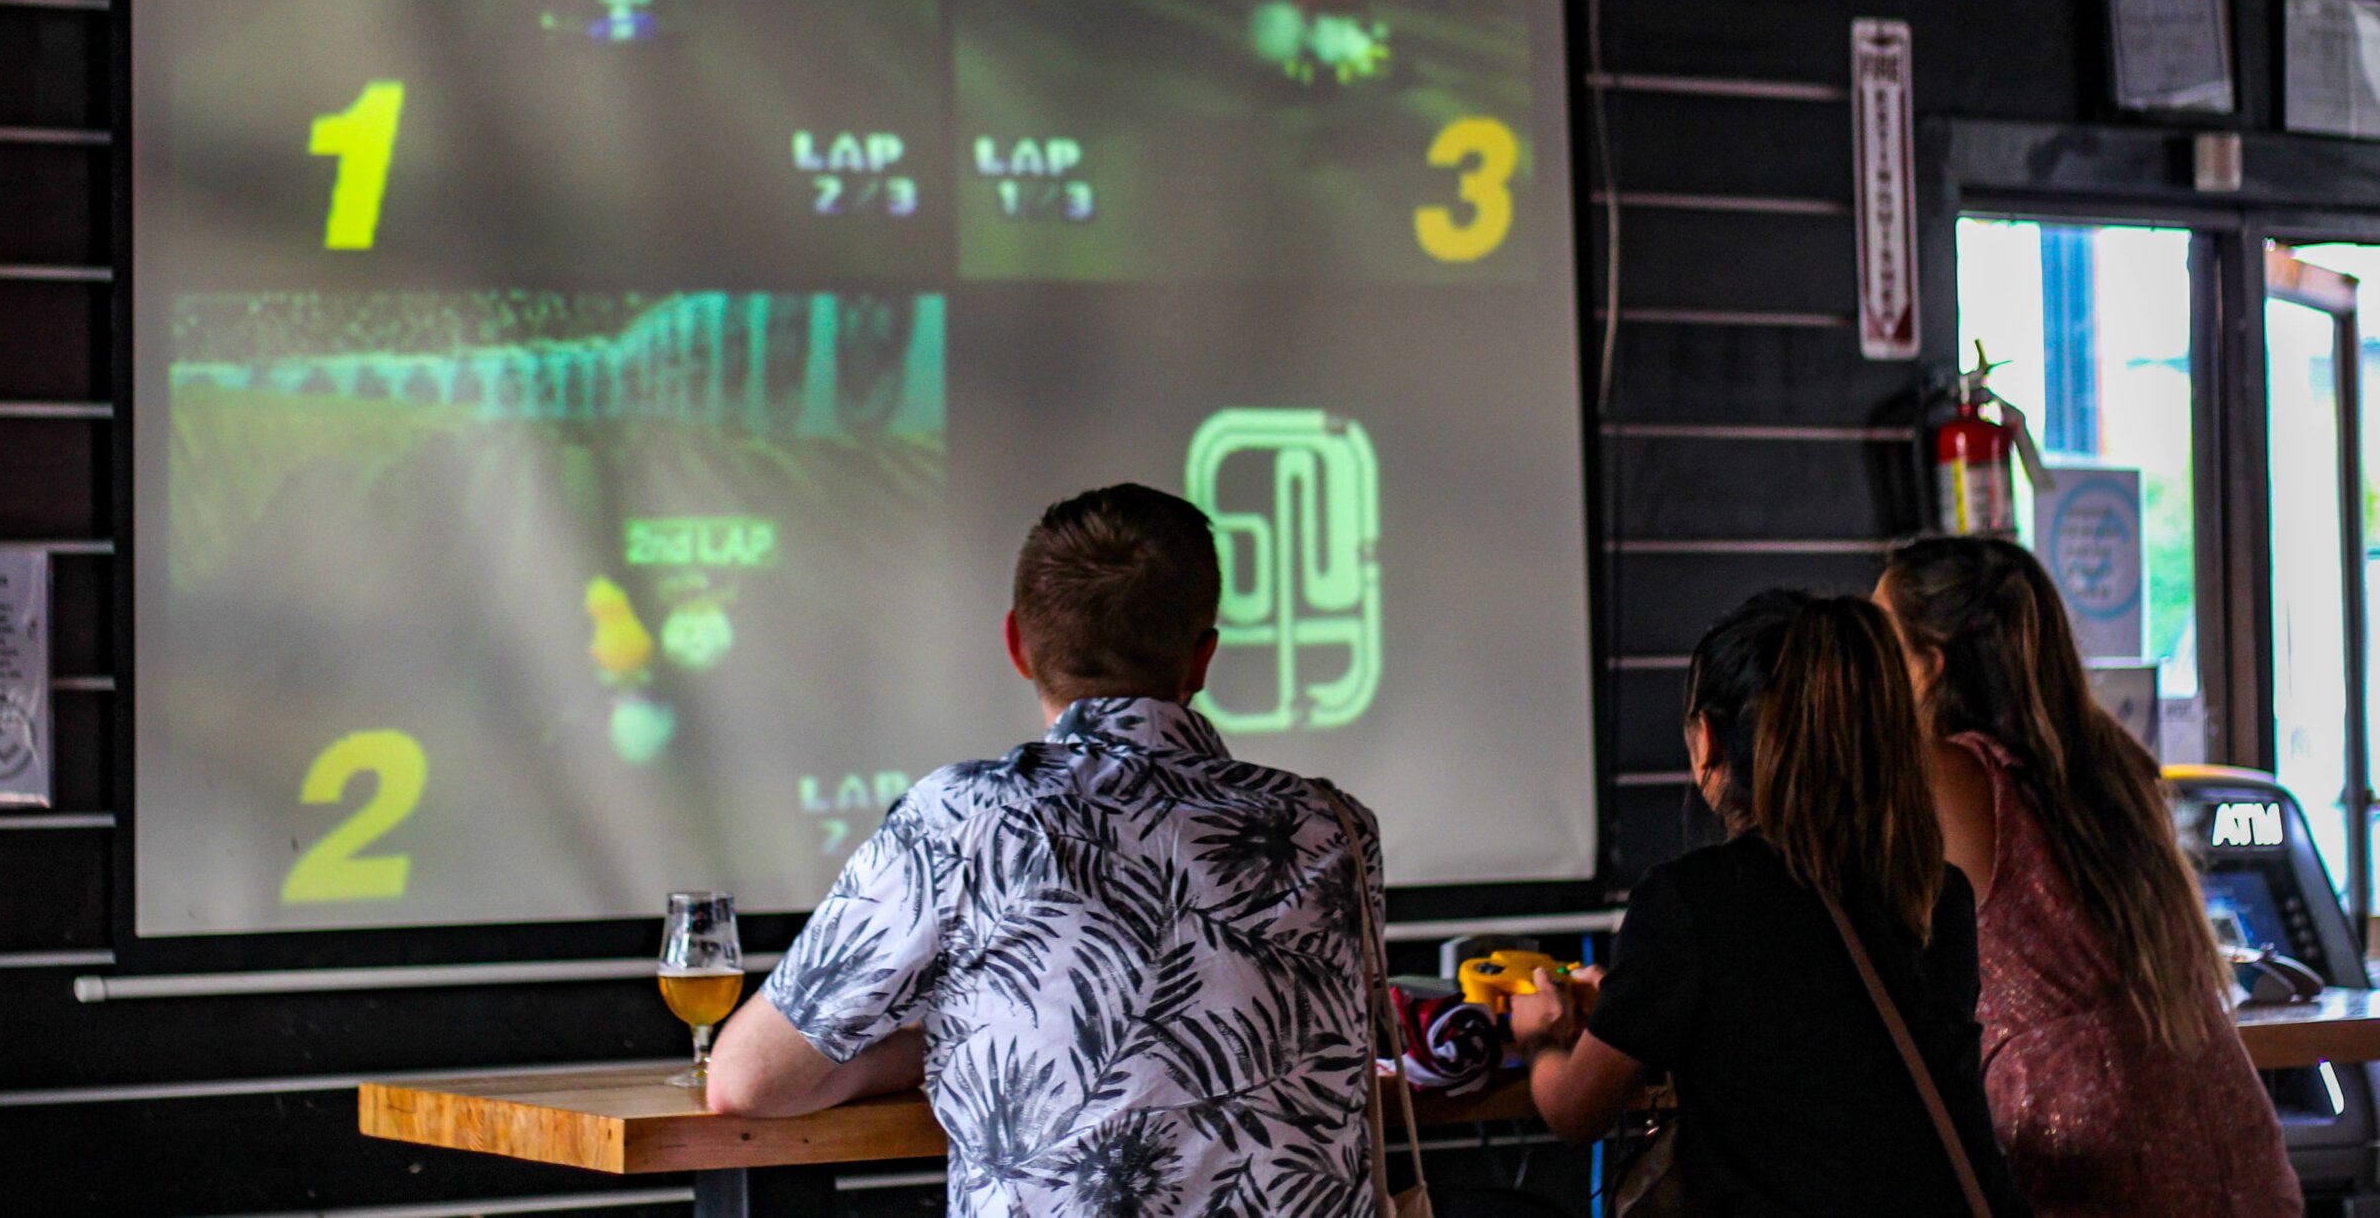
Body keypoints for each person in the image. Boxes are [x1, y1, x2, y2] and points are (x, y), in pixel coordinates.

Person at [708, 482, 1390, 1216]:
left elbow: (746, 1081)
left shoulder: (964, 820)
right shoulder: (1335, 828)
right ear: (1202, 660)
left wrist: (921, 1049)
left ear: (1017, 645)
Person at [1517, 591, 2033, 1218]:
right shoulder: (1934, 891)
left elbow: (1575, 1113)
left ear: (1707, 741)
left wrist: (1539, 1038)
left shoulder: (1691, 902)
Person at [1879, 536, 2301, 1218]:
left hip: (2091, 1160)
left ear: (1927, 668)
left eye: (1879, 645)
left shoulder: (1949, 777)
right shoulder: (2110, 763)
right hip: (2229, 1135)